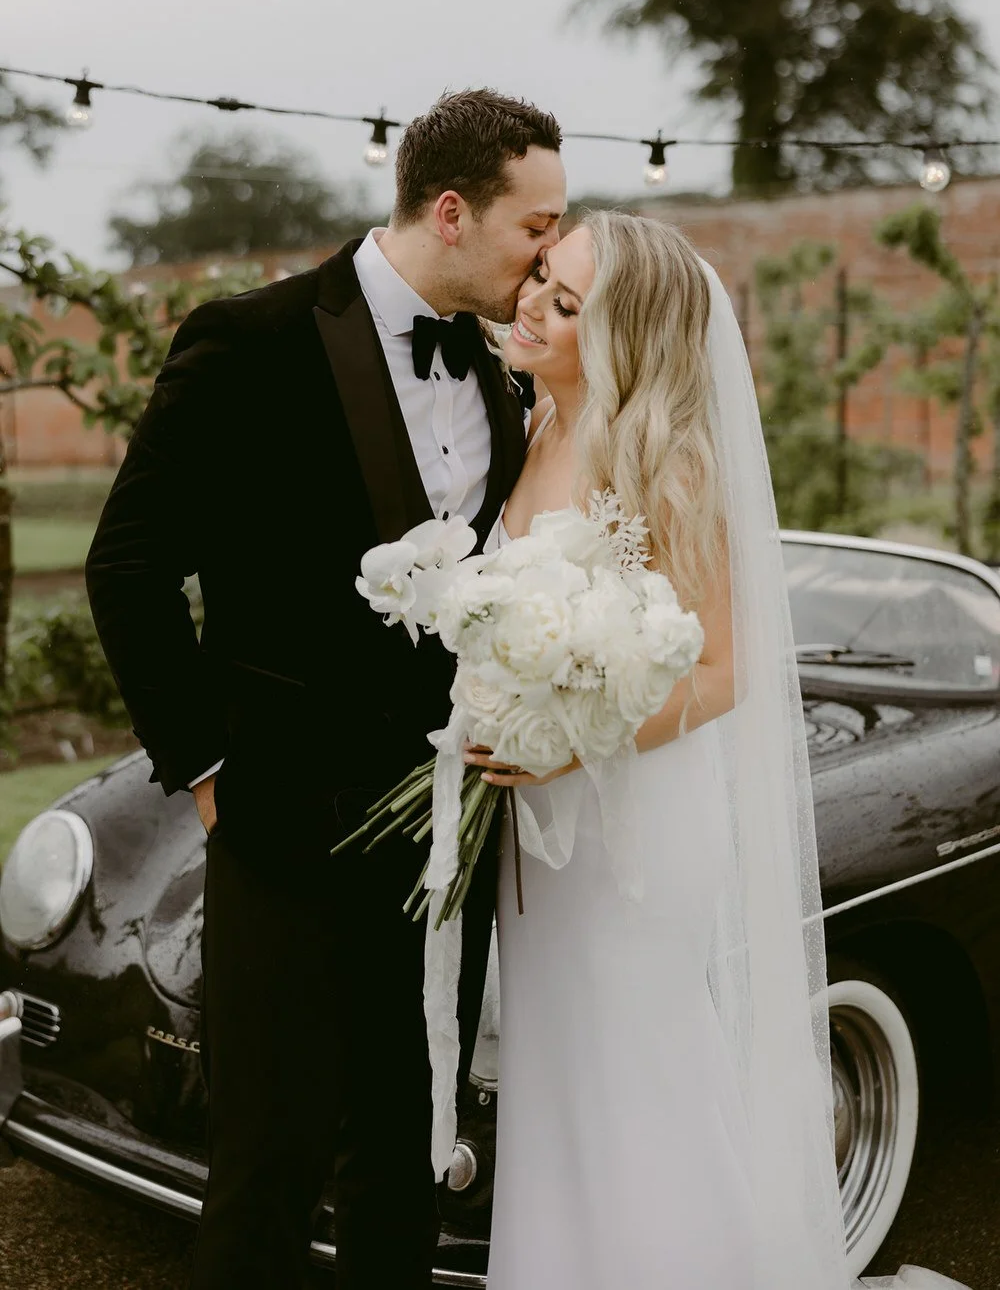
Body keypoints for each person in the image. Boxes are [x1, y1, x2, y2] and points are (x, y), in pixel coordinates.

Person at [84, 87, 567, 1290]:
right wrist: (205, 772)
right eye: (537, 228)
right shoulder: (248, 342)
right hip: (281, 830)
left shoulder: (514, 379)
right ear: (451, 212)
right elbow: (129, 568)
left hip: (444, 838)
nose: (552, 255)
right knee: (267, 1167)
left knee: (405, 1159)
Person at [466, 211, 970, 1290]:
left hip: (627, 834)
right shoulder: (527, 424)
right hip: (540, 833)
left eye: (567, 307)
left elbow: (722, 672)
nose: (534, 310)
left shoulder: (659, 460)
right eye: (542, 281)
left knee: (641, 1079)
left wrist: (569, 740)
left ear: (626, 337)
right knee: (560, 1085)